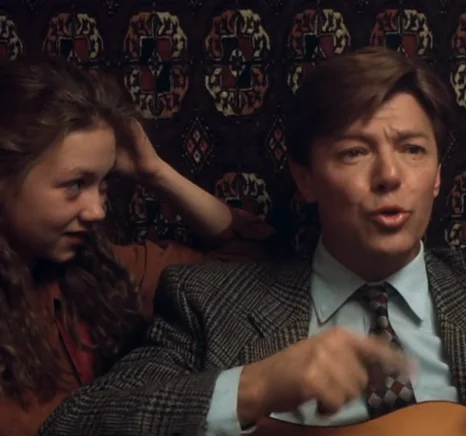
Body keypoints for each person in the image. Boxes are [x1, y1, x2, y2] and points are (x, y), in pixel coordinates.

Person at [37, 47, 466, 436]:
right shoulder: (207, 301)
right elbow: (75, 425)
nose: (389, 176)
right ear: (305, 178)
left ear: (438, 175)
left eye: (412, 149)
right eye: (354, 152)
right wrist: (257, 385)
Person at [0, 56, 275, 436]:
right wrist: (248, 393)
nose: (97, 210)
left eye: (104, 185)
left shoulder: (95, 268)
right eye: (76, 185)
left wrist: (155, 172)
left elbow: (248, 267)